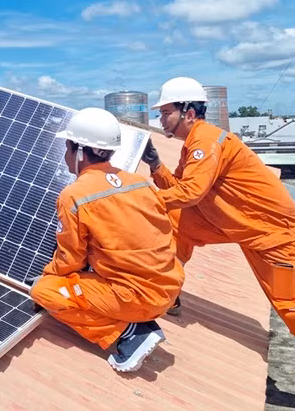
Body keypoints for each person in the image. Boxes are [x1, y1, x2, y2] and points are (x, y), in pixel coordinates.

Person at [142, 76, 295, 385]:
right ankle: (168, 292)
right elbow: (180, 191)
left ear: (188, 113)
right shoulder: (194, 145)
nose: (160, 119)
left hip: (275, 238)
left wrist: (136, 199)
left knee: (294, 313)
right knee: (179, 223)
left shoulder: (207, 142)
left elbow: (190, 193)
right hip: (240, 227)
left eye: (165, 112)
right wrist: (156, 166)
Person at [29, 107, 183, 373]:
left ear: (78, 151)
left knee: (45, 291)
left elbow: (70, 259)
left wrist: (44, 278)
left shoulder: (75, 195)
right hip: (170, 285)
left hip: (137, 297)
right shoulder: (140, 182)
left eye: (67, 147)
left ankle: (131, 332)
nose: (65, 156)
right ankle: (134, 319)